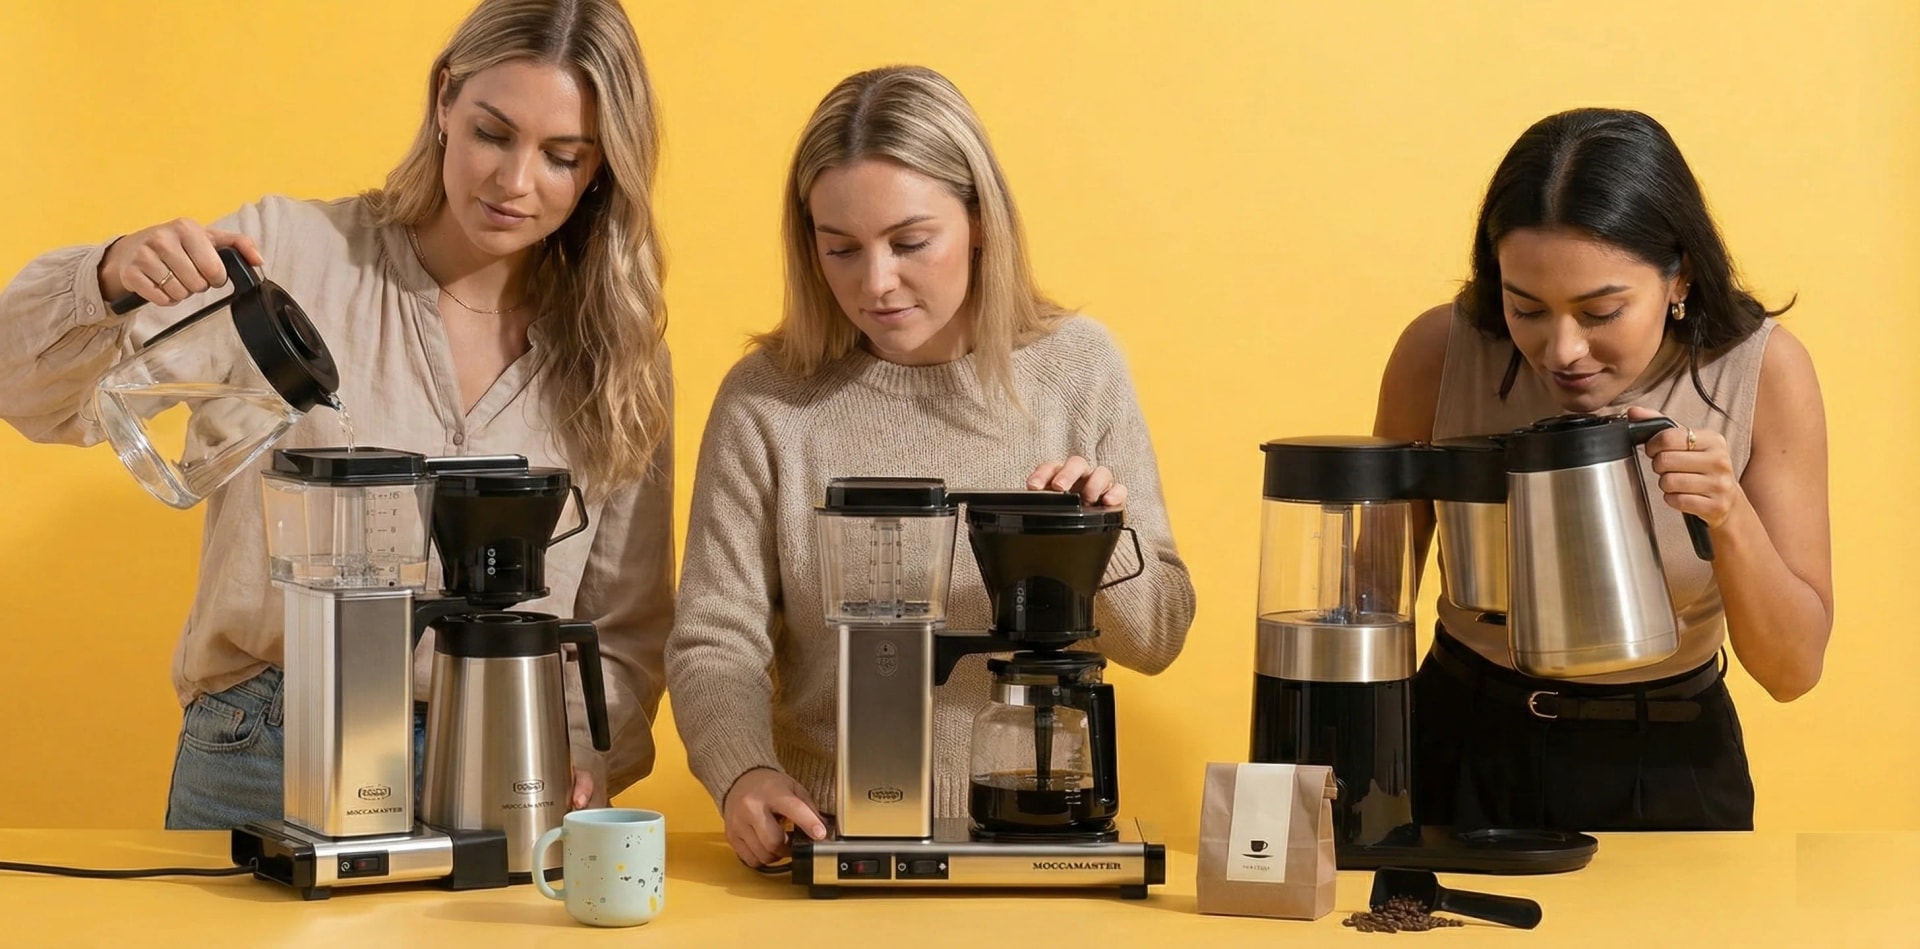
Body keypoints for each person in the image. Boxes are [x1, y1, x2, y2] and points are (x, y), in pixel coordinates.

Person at [0, 0, 674, 829]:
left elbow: (624, 617)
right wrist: (105, 277)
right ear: (443, 102)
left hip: (502, 760)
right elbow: (22, 388)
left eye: (562, 156)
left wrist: (578, 750)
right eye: (493, 134)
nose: (515, 182)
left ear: (603, 166)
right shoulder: (290, 255)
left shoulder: (617, 353)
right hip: (262, 752)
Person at [663, 65, 1197, 868]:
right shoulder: (767, 400)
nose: (874, 283)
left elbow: (1159, 636)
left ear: (980, 221)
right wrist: (745, 771)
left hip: (1031, 835)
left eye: (911, 242)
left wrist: (1094, 543)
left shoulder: (1078, 370)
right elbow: (714, 637)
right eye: (839, 248)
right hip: (827, 831)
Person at [1374, 108, 1833, 831]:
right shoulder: (1440, 352)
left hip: (1670, 756)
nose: (1562, 350)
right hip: (1458, 744)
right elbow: (1373, 602)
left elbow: (1792, 671)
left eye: (1601, 311)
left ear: (1678, 277)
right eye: (1526, 306)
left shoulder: (1763, 372)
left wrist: (1729, 516)